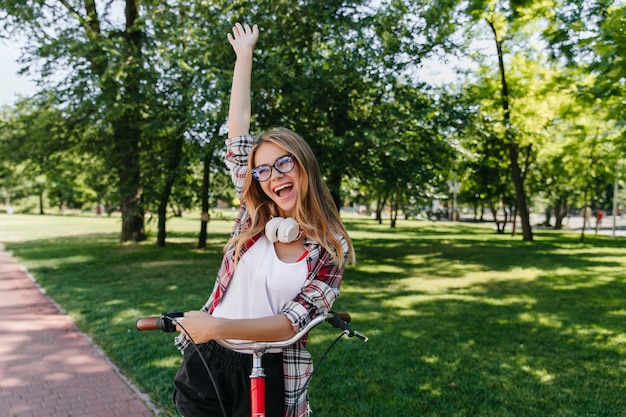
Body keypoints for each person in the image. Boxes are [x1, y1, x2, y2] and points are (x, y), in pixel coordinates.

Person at [171, 22, 355, 417]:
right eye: (263, 170)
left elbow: (290, 324)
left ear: (303, 164)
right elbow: (237, 133)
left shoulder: (330, 248)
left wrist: (216, 326)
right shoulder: (253, 214)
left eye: (284, 163)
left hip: (270, 370)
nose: (274, 176)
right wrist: (244, 57)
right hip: (208, 361)